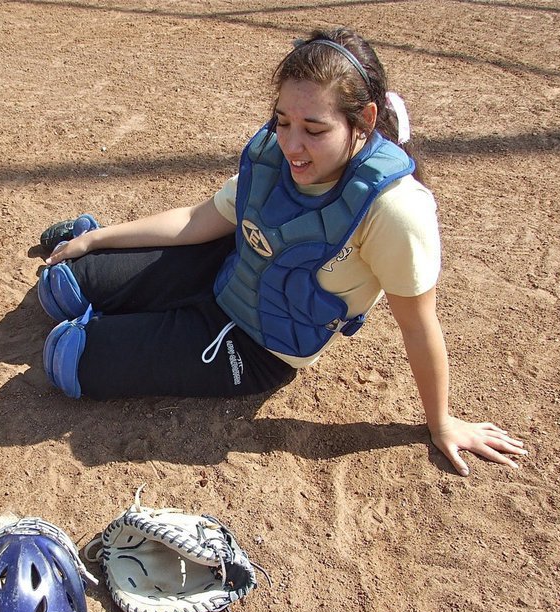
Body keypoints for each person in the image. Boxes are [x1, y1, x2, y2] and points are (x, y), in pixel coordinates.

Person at [35, 27, 527, 477]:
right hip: (232, 267)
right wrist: (97, 237)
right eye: (283, 120)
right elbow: (198, 220)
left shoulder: (394, 211)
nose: (293, 144)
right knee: (63, 284)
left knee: (68, 357)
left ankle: (126, 320)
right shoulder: (274, 155)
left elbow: (419, 327)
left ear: (365, 121)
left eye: (314, 129)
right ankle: (101, 271)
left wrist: (441, 422)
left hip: (262, 340)